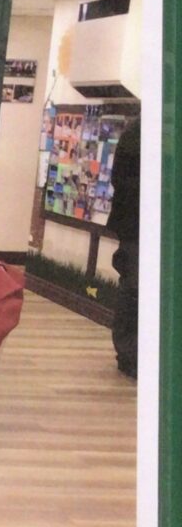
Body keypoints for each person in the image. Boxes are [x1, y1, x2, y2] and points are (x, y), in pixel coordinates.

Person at [107, 117, 140, 378]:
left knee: (133, 287)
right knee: (133, 288)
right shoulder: (137, 134)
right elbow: (122, 180)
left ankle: (131, 353)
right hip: (135, 223)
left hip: (135, 223)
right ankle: (129, 354)